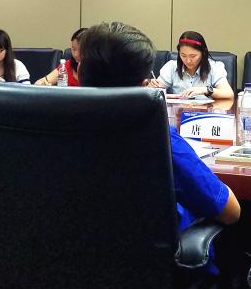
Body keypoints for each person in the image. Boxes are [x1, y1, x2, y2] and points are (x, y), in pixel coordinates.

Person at [78, 21, 241, 231]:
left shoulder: (52, 131)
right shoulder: (159, 140)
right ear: (144, 85)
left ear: (80, 70)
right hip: (157, 249)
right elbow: (231, 211)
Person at [149, 31, 234, 99]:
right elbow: (155, 92)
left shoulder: (215, 67)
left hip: (206, 113)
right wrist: (152, 87)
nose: (188, 61)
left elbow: (228, 94)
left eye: (193, 56)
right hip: (178, 112)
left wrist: (204, 90)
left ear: (203, 53)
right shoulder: (171, 67)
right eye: (183, 55)